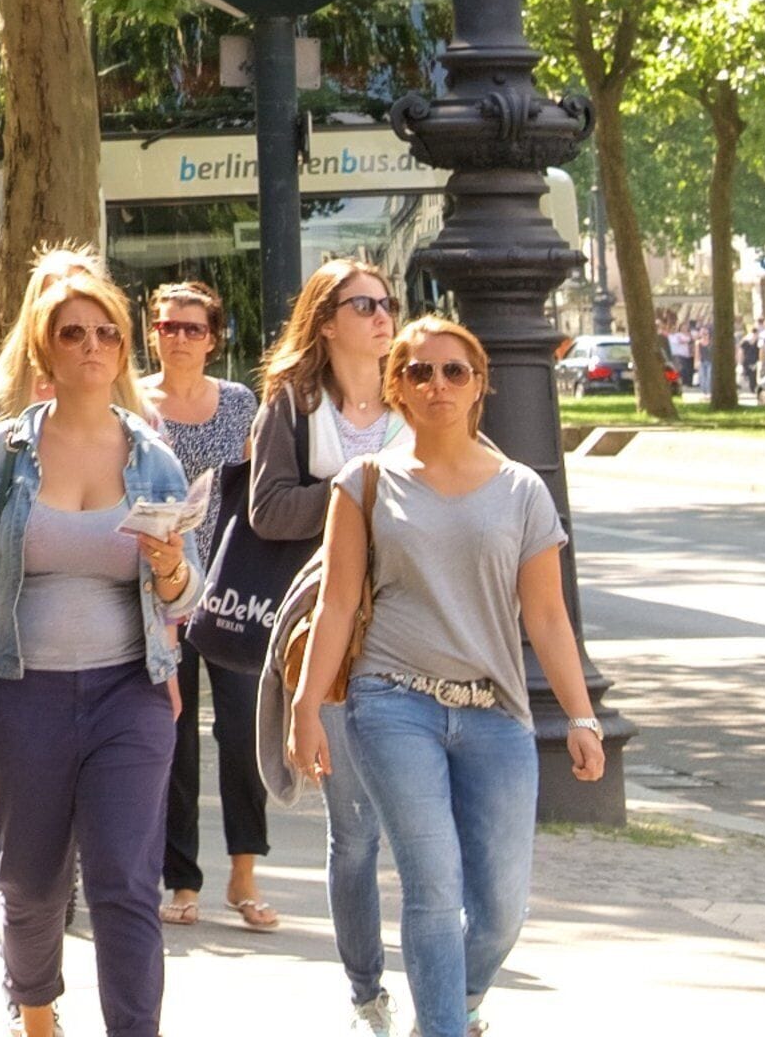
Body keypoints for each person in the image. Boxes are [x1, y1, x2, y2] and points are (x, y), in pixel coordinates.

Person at [286, 318, 604, 1037]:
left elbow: (549, 618)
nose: (438, 385)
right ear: (395, 386)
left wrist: (581, 718)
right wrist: (306, 707)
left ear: (480, 385)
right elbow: (337, 603)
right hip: (392, 703)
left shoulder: (522, 491)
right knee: (432, 888)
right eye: (421, 372)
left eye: (454, 372)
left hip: (495, 712)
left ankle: (455, 1005)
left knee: (499, 910)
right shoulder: (362, 483)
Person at [0, 253, 202, 1037]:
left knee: (124, 879)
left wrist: (173, 569)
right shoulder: (3, 454)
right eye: (72, 333)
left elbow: (190, 591)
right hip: (23, 690)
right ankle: (37, 1011)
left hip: (130, 693)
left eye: (106, 333)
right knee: (33, 883)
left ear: (123, 349)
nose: (91, 346)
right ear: (44, 348)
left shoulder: (152, 457)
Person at [249, 257, 411, 1032]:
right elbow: (268, 510)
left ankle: (446, 987)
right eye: (364, 305)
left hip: (419, 632)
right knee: (357, 833)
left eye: (388, 303)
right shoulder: (291, 404)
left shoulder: (421, 391)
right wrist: (357, 488)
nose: (382, 317)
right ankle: (365, 990)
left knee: (422, 827)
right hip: (334, 635)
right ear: (326, 320)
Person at [141, 280, 272, 932]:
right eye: (168, 327)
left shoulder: (240, 403)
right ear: (152, 334)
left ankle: (244, 873)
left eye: (193, 329)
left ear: (214, 338)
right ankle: (181, 879)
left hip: (227, 590)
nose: (180, 339)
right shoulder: (134, 403)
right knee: (172, 738)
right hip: (161, 589)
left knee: (243, 731)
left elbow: (255, 494)